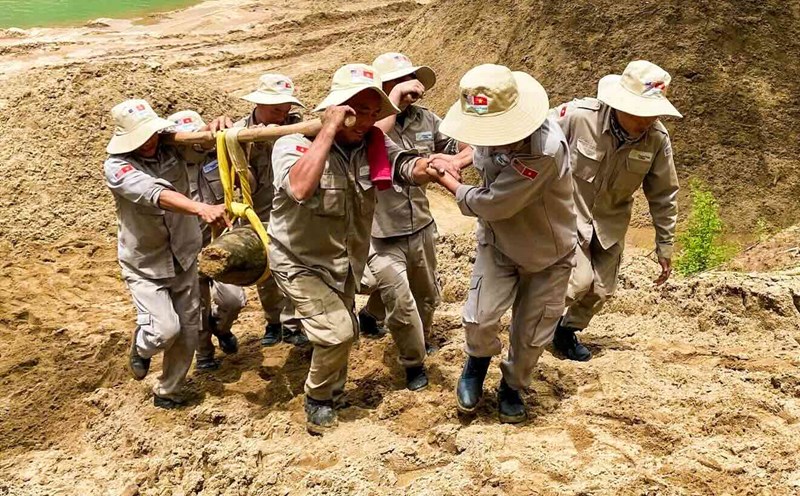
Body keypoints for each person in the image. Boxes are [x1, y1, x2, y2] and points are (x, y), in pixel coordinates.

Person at [268, 63, 449, 433]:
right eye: (357, 111)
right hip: (299, 262)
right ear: (335, 108)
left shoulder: (374, 145)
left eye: (372, 113)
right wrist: (328, 129)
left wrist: (431, 166)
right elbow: (300, 188)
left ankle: (334, 394)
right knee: (337, 332)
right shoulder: (294, 144)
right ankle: (318, 398)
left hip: (345, 261)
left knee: (345, 328)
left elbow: (406, 167)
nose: (366, 121)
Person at [432, 64, 577, 423]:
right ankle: (476, 365)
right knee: (480, 318)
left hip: (548, 254)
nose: (490, 137)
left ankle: (512, 386)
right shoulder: (489, 126)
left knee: (531, 335)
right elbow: (481, 147)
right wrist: (460, 158)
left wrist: (447, 180)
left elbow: (494, 203)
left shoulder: (545, 150)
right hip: (498, 243)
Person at [550, 60, 681, 362]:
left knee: (601, 290)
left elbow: (664, 195)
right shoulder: (579, 117)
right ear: (620, 103)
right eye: (641, 112)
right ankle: (531, 326)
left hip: (610, 224)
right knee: (576, 282)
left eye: (653, 112)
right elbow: (531, 138)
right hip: (567, 216)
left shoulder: (657, 140)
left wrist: (664, 245)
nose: (647, 120)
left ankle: (565, 332)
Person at [104, 100, 230, 408]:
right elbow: (155, 193)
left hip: (184, 256)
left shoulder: (172, 147)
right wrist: (200, 208)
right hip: (145, 264)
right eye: (141, 136)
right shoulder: (117, 167)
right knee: (163, 331)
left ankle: (167, 391)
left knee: (187, 331)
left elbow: (202, 148)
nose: (149, 141)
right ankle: (141, 344)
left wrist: (212, 130)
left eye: (152, 133)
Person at [356, 52, 456, 356]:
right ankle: (413, 359)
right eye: (398, 81)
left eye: (409, 79)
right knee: (400, 299)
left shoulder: (425, 118)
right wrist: (393, 100)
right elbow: (372, 138)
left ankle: (378, 319)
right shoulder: (363, 123)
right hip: (381, 229)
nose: (408, 86)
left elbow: (452, 146)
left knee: (426, 295)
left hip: (420, 223)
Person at [211, 74, 308, 347]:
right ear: (260, 104)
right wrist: (242, 146)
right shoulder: (235, 132)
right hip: (259, 211)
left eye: (286, 109)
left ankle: (292, 324)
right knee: (267, 271)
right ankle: (274, 322)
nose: (283, 114)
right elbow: (243, 180)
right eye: (277, 109)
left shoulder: (297, 126)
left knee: (295, 267)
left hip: (294, 208)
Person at [167, 110, 246, 371]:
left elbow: (246, 181)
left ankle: (221, 328)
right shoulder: (169, 169)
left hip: (220, 243)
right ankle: (204, 354)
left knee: (233, 300)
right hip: (187, 248)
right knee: (197, 307)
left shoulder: (217, 156)